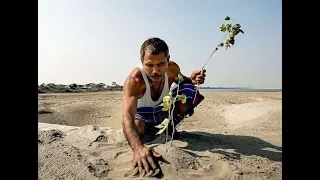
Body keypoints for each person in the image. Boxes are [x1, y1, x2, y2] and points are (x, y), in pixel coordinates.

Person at [122, 37, 206, 177]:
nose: (155, 71)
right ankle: (151, 129)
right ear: (142, 62)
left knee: (189, 89)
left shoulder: (173, 69)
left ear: (168, 60)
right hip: (142, 115)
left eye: (161, 64)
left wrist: (192, 79)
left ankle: (170, 126)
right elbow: (127, 115)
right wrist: (138, 149)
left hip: (163, 111)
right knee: (137, 128)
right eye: (149, 65)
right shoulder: (135, 80)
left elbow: (182, 81)